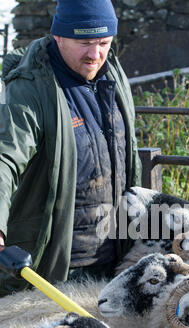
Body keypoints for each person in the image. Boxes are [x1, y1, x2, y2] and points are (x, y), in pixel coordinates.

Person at [0, 0, 141, 297]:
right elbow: (5, 157)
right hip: (57, 269)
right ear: (58, 36)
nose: (95, 54)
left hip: (115, 261)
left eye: (103, 42)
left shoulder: (113, 74)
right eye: (85, 42)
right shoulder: (30, 89)